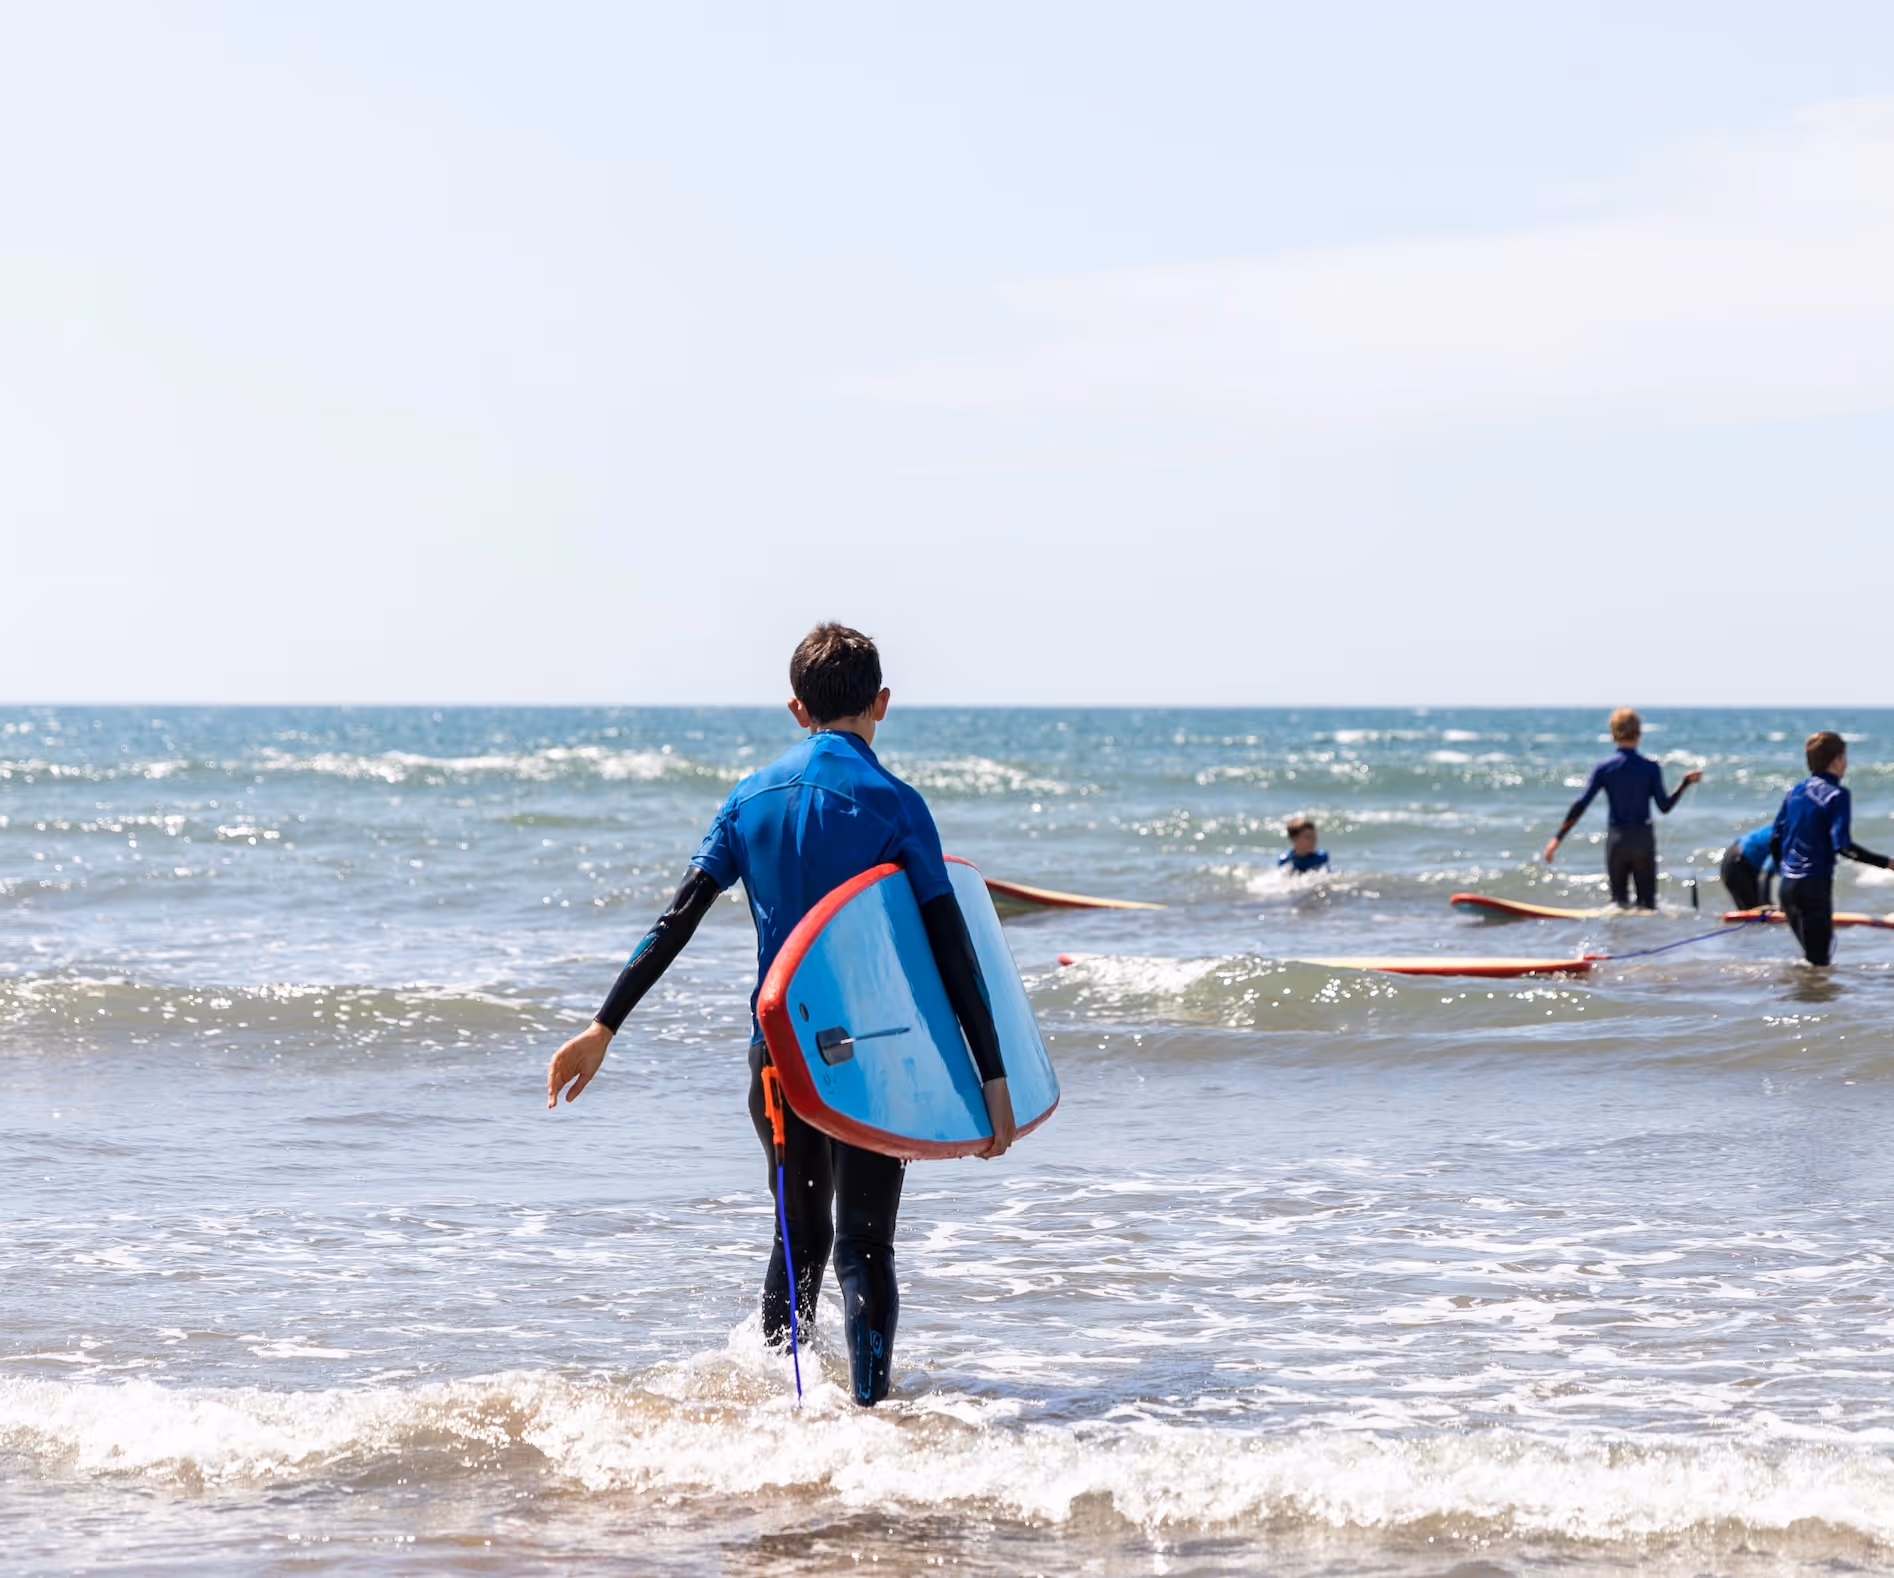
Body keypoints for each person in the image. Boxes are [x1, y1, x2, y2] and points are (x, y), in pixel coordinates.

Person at [544, 623, 1015, 1407]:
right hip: (866, 1055)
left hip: (778, 1055)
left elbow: (677, 918)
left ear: (797, 709)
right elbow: (950, 946)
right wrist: (992, 1075)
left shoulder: (747, 798)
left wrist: (603, 1024)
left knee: (797, 1239)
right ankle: (869, 1418)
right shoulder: (896, 805)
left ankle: (780, 1420)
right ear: (883, 704)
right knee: (865, 1242)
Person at [1541, 707, 1702, 909]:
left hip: (1617, 841)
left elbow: (1581, 804)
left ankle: (1620, 940)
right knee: (1648, 906)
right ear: (1639, 734)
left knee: (1619, 906)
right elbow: (1665, 807)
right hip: (1643, 840)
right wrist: (1685, 783)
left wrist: (1556, 839)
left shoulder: (1604, 768)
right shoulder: (1650, 767)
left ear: (1613, 733)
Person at [1769, 731, 1892, 967]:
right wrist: (1887, 863)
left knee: (1811, 963)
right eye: (1845, 757)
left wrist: (1782, 873)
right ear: (1837, 760)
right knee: (1819, 966)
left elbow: (1775, 840)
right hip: (1814, 887)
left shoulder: (1793, 792)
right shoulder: (1837, 794)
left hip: (1787, 887)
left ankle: (1798, 1000)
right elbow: (1844, 847)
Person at [1719, 823, 1777, 912]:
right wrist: (1767, 906)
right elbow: (1765, 875)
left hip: (1746, 862)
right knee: (1756, 913)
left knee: (1756, 914)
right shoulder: (1788, 840)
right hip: (1737, 864)